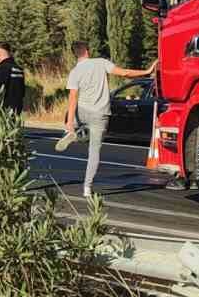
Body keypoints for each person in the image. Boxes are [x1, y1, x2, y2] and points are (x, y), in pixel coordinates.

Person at [58, 41, 156, 198]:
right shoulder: (101, 63)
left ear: (75, 54)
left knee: (76, 124)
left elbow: (72, 98)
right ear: (87, 51)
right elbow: (124, 73)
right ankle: (87, 188)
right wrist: (146, 71)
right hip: (100, 115)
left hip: (82, 112)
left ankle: (73, 132)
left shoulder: (75, 72)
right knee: (94, 152)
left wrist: (69, 122)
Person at [0, 42, 25, 116]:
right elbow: (22, 91)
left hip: (5, 111)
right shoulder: (19, 69)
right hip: (17, 108)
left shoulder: (2, 69)